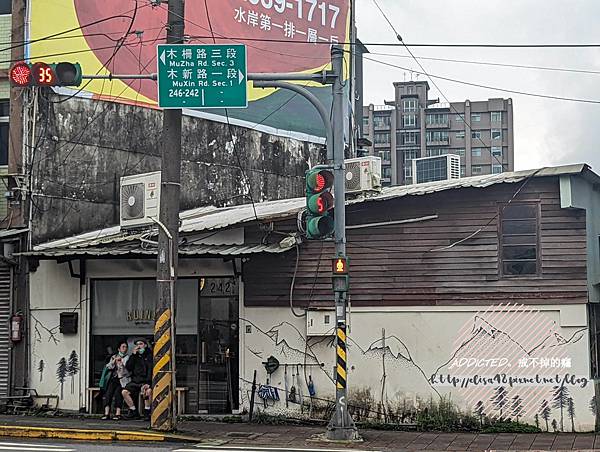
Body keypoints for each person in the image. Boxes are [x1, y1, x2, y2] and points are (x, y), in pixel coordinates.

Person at [122, 338, 153, 419]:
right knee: (124, 392)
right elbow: (129, 367)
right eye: (137, 344)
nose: (139, 346)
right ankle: (133, 411)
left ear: (145, 345)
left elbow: (150, 370)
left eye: (141, 344)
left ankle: (147, 411)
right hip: (136, 381)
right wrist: (133, 355)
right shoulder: (135, 356)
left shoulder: (149, 355)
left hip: (146, 381)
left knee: (148, 391)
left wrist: (148, 383)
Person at [102, 341, 130, 420]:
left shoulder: (128, 357)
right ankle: (106, 413)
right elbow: (108, 367)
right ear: (119, 349)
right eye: (123, 347)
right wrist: (114, 361)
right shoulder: (114, 356)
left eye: (126, 347)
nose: (125, 349)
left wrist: (121, 364)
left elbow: (128, 370)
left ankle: (118, 413)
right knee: (108, 394)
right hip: (113, 378)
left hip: (122, 379)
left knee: (118, 394)